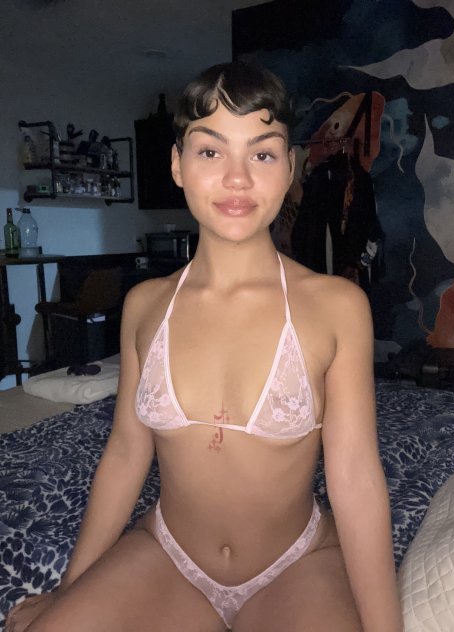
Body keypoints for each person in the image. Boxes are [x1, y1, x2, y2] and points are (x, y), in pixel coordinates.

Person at [6, 61, 403, 632]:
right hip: (169, 555)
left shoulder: (337, 306)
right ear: (178, 164)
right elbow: (125, 454)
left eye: (262, 154)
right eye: (211, 151)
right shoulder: (145, 305)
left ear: (290, 167)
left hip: (295, 566)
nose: (237, 179)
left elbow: (357, 481)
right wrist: (68, 591)